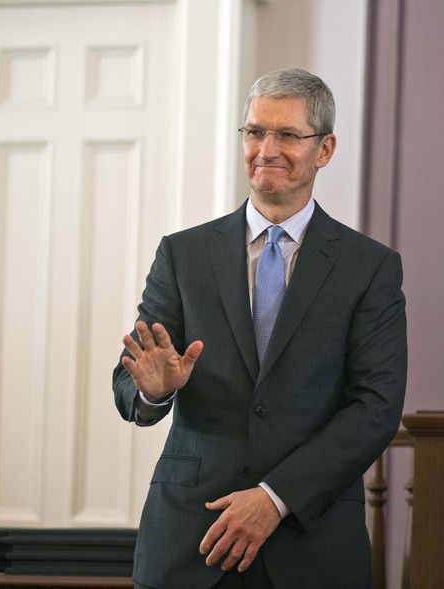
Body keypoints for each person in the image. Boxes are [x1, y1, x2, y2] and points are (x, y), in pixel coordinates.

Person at [113, 68, 407, 589]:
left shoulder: (369, 267)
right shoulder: (183, 254)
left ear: (325, 149)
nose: (266, 148)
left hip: (311, 545)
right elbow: (132, 377)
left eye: (287, 135)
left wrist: (276, 497)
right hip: (191, 539)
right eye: (254, 132)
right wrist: (153, 393)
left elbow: (375, 407)